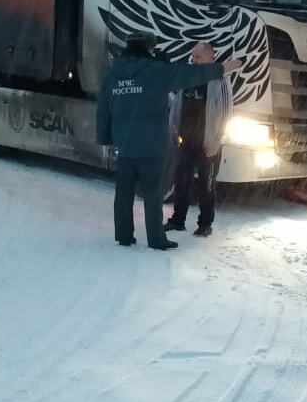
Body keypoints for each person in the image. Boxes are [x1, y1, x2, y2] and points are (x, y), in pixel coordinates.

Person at [97, 32, 241, 251]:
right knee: (153, 194)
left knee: (123, 192)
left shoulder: (113, 74)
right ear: (147, 49)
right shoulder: (157, 72)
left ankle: (124, 234)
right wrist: (224, 67)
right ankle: (156, 239)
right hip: (151, 145)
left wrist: (105, 136)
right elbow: (190, 74)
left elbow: (103, 108)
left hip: (125, 144)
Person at [165, 41, 232, 237]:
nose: (194, 60)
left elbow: (227, 112)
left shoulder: (220, 79)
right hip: (186, 141)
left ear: (210, 58)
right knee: (182, 181)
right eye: (193, 56)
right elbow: (177, 102)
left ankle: (205, 224)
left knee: (206, 184)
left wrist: (217, 140)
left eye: (198, 57)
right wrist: (173, 129)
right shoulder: (188, 76)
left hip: (208, 142)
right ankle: (177, 220)